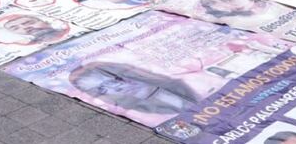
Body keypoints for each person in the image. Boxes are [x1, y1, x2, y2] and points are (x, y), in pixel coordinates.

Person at [68, 61, 202, 115]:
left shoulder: (184, 86)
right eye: (102, 89)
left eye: (116, 79)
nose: (118, 88)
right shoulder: (155, 111)